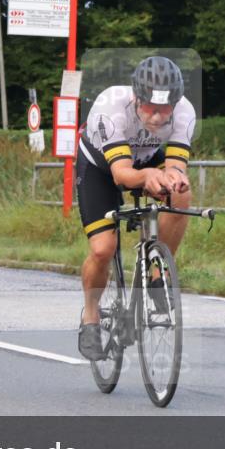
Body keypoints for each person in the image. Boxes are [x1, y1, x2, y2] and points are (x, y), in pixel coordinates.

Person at [76, 56, 196, 361]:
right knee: (103, 249)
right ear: (136, 98)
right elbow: (122, 175)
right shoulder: (111, 108)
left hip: (146, 159)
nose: (157, 118)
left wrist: (172, 178)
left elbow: (174, 165)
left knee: (181, 193)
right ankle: (90, 317)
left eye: (164, 110)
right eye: (150, 109)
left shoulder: (184, 112)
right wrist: (148, 178)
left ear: (176, 102)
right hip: (102, 168)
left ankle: (158, 273)